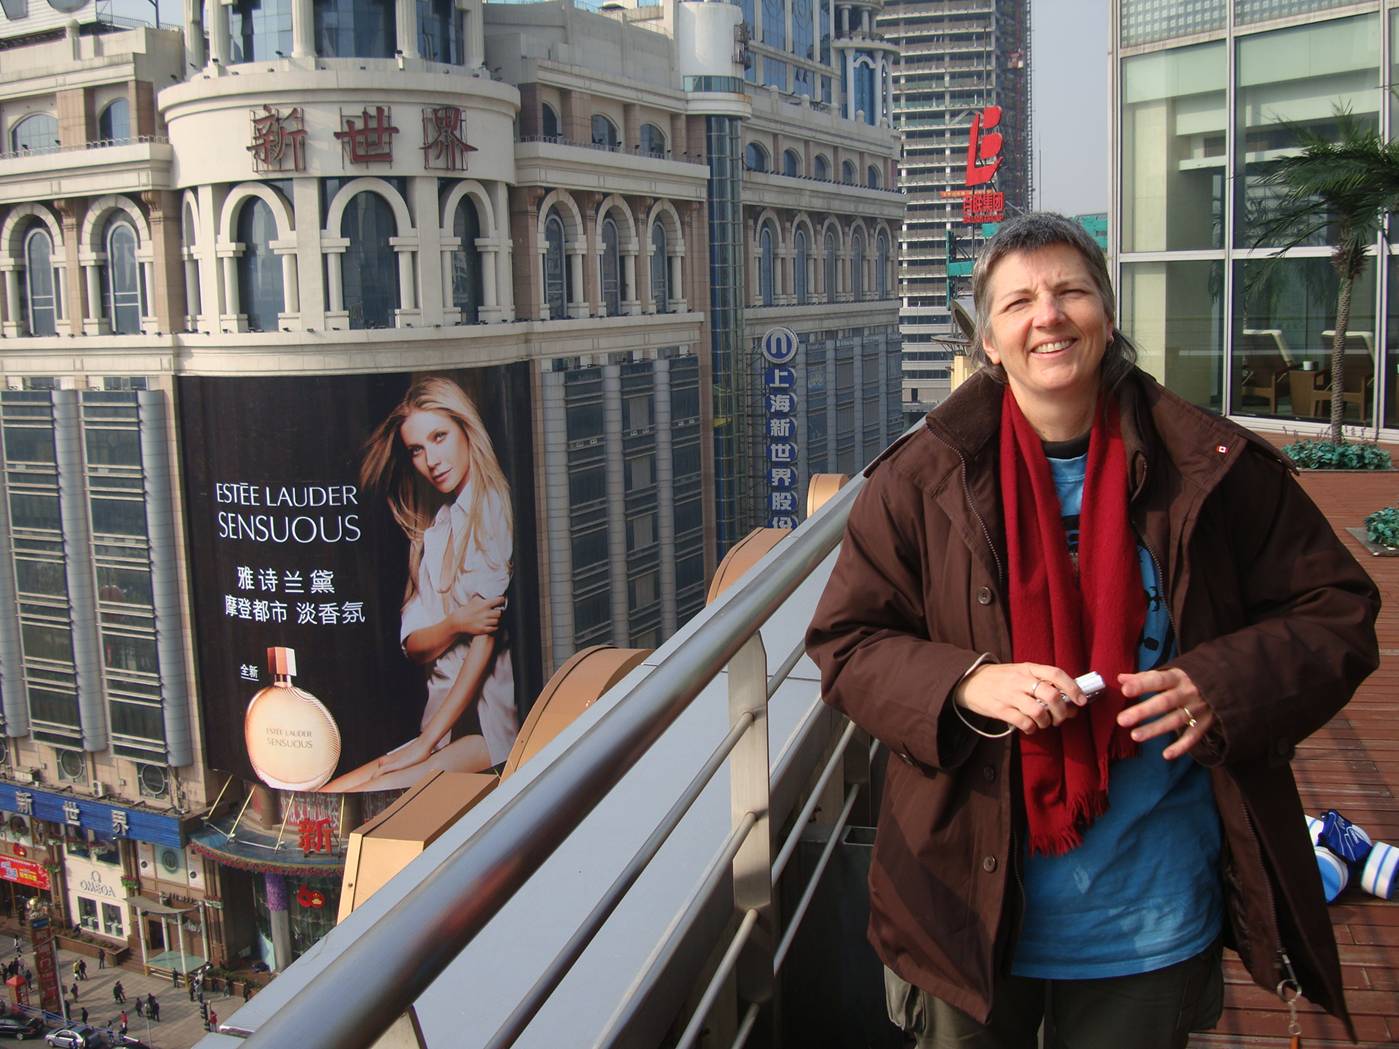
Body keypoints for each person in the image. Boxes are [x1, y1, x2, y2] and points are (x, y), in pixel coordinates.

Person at [806, 211, 1382, 1049]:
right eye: (1017, 302)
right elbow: (847, 641)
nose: (1047, 315)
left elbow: (1335, 610)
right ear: (989, 341)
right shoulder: (921, 478)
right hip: (962, 901)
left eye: (1069, 291)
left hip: (1147, 911)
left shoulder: (1208, 468)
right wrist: (964, 681)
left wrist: (1218, 684)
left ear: (1105, 317)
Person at [321, 376, 516, 792]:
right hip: (442, 726)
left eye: (439, 437)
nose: (431, 460)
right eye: (417, 450)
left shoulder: (492, 507)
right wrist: (456, 623)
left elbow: (483, 644)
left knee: (367, 790)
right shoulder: (434, 530)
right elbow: (413, 646)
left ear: (466, 429)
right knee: (342, 786)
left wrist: (424, 745)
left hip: (488, 733)